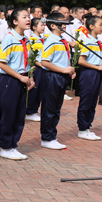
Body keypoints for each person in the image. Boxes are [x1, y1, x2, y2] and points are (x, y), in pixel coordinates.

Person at [0, 9, 34, 160]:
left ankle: (13, 144)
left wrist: (30, 77)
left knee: (19, 114)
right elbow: (1, 63)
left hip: (23, 79)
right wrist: (19, 77)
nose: (28, 19)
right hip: (10, 80)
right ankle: (5, 146)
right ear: (15, 21)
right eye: (24, 17)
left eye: (28, 17)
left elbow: (28, 61)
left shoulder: (26, 40)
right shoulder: (9, 39)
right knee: (9, 113)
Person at [39, 12, 76, 150]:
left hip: (61, 76)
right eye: (62, 23)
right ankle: (47, 137)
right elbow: (44, 62)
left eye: (65, 23)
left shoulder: (62, 40)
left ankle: (52, 135)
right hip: (52, 77)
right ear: (53, 25)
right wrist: (63, 70)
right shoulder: (51, 41)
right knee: (49, 108)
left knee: (56, 108)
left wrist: (69, 69)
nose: (64, 26)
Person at [75, 15, 102, 141]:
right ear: (91, 26)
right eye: (100, 25)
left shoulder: (97, 42)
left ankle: (87, 126)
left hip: (97, 72)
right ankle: (82, 128)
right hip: (89, 74)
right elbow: (81, 60)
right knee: (86, 100)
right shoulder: (88, 42)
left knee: (93, 101)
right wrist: (97, 67)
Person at [25, 17, 47, 122]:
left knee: (40, 90)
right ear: (34, 27)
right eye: (41, 25)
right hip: (36, 67)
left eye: (43, 25)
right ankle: (29, 111)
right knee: (34, 89)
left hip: (42, 66)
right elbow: (31, 57)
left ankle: (34, 109)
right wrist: (41, 65)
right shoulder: (32, 40)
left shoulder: (42, 38)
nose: (43, 27)